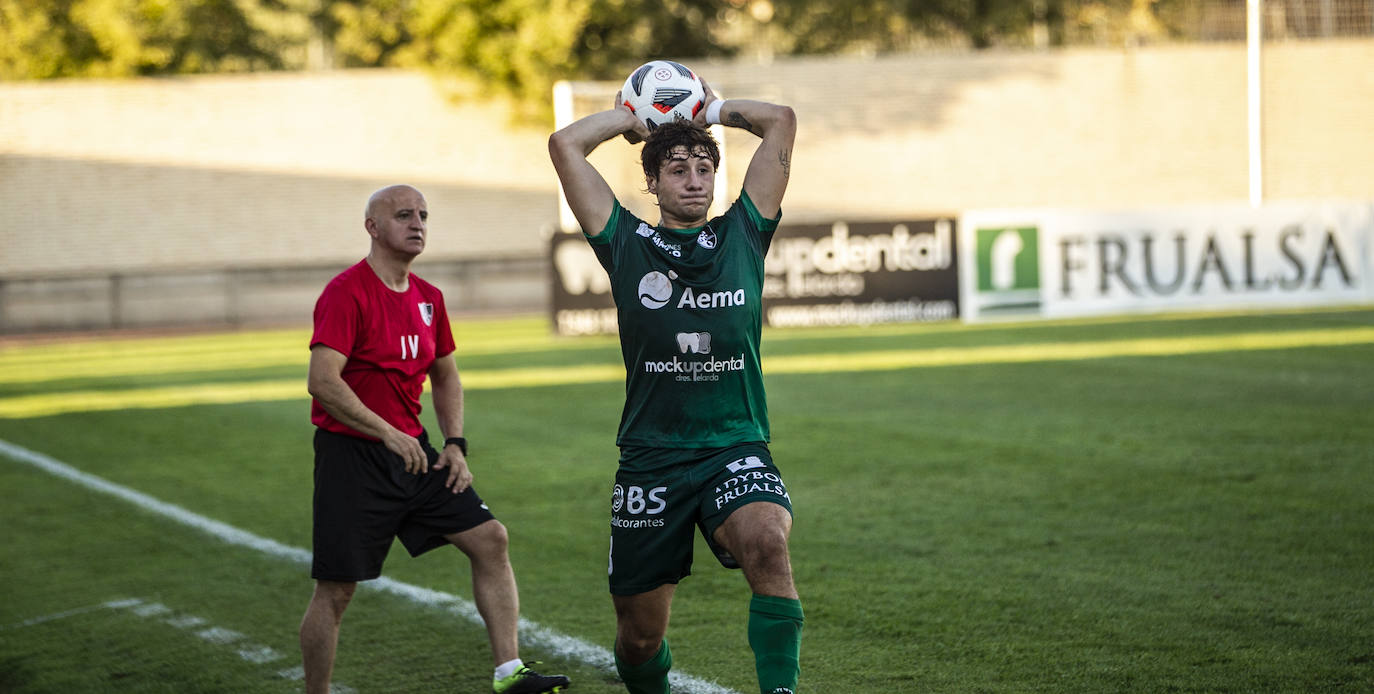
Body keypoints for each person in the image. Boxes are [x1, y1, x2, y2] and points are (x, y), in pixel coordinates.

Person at [548, 79, 804, 694]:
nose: (694, 179)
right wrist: (630, 119)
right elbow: (564, 146)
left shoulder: (744, 233)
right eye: (677, 168)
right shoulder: (626, 243)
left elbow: (782, 121)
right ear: (654, 184)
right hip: (651, 458)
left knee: (768, 542)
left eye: (704, 167)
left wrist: (709, 111)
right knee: (639, 639)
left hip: (733, 445)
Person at [299, 184, 570, 694]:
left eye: (423, 215)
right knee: (336, 590)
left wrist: (455, 444)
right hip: (352, 458)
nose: (417, 223)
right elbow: (323, 382)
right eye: (403, 215)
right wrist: (385, 432)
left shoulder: (429, 299)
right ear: (373, 227)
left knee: (490, 539)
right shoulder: (346, 292)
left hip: (416, 453)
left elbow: (446, 376)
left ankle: (510, 673)